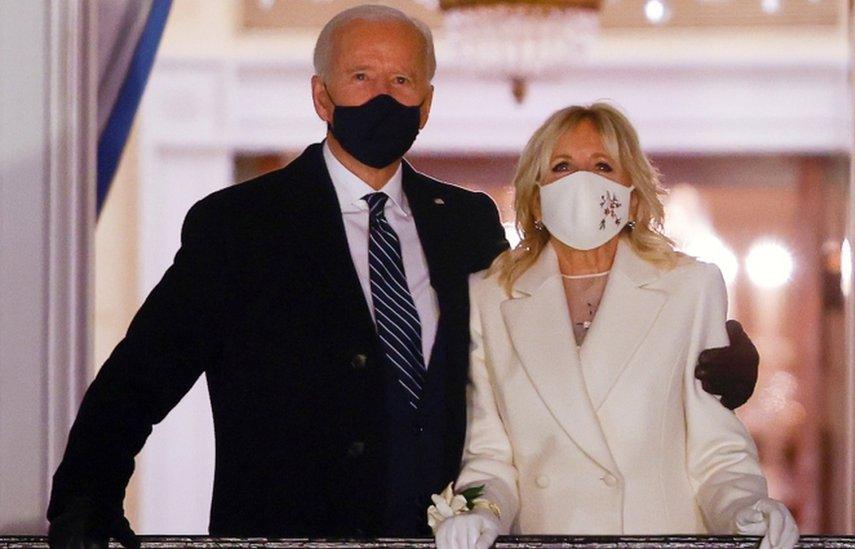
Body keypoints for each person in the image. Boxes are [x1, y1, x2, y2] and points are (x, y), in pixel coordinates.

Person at [47, 6, 761, 546]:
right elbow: (143, 371)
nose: (382, 96)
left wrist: (722, 350)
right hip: (294, 537)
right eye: (361, 77)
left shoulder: (469, 223)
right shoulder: (241, 225)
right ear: (322, 96)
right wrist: (87, 489)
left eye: (401, 80)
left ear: (427, 101)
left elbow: (559, 337)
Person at [432, 103, 798, 549]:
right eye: (562, 166)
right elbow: (491, 457)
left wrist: (746, 510)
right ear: (536, 195)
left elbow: (716, 453)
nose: (582, 182)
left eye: (602, 166)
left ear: (634, 195)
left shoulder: (688, 288)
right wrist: (480, 514)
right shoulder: (492, 296)